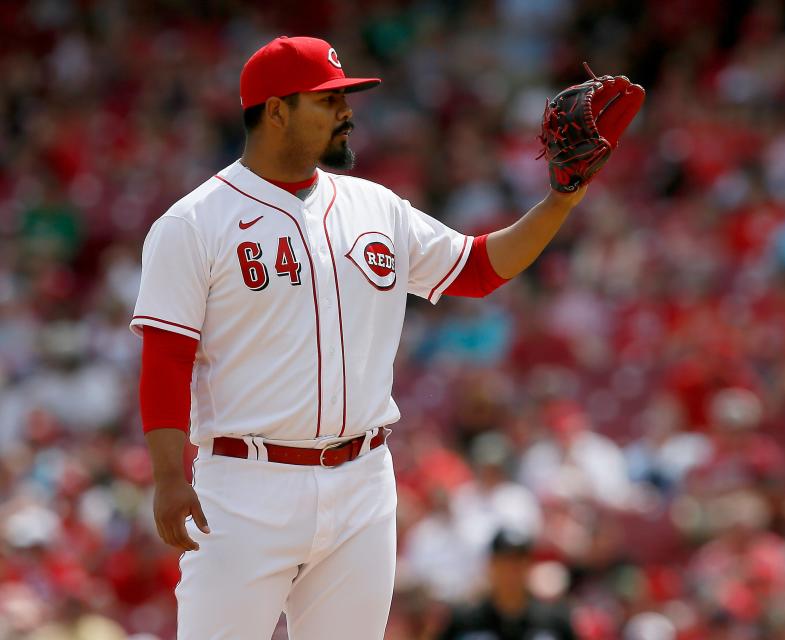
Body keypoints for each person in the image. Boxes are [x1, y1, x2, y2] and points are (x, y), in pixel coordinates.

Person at [132, 35, 624, 639]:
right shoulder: (193, 222)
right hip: (243, 486)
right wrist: (166, 477)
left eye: (346, 98)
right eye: (328, 99)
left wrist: (561, 198)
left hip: (362, 481)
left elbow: (476, 269)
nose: (346, 112)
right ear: (276, 109)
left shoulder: (376, 206)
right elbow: (166, 358)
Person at [438, 529, 577, 640]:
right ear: (491, 567)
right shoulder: (464, 622)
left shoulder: (554, 621)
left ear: (528, 566)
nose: (511, 573)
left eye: (517, 564)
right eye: (504, 564)